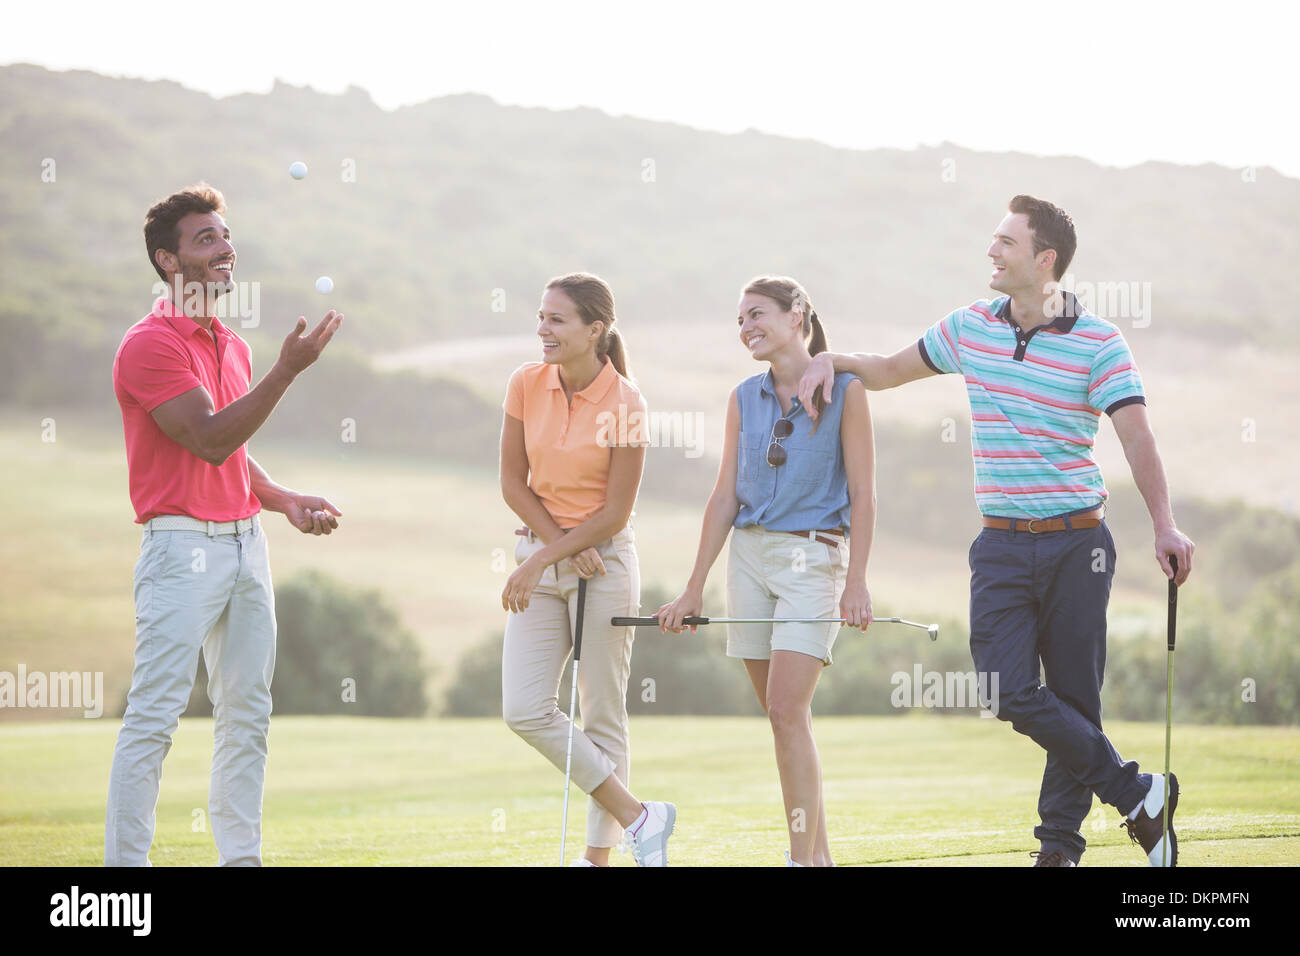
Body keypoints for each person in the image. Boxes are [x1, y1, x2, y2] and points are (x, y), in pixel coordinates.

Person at [798, 195, 1196, 867]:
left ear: (1045, 261)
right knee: (1006, 690)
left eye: (1006, 243)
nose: (992, 251)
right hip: (1002, 544)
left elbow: (1137, 435)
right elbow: (890, 369)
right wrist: (827, 360)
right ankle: (1137, 794)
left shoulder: (1099, 340)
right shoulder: (969, 327)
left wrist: (1165, 524)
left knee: (1073, 697)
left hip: (1078, 543)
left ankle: (1059, 851)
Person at [107, 183, 343, 866]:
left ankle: (240, 859)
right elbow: (207, 439)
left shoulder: (229, 345)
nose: (223, 248)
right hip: (180, 551)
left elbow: (233, 454)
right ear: (167, 261)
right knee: (154, 718)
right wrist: (287, 372)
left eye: (224, 235)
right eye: (204, 239)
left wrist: (281, 497)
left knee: (246, 717)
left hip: (246, 545)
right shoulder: (149, 345)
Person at [658, 276, 875, 867]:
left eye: (756, 314)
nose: (746, 327)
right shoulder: (741, 397)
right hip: (748, 560)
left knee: (785, 709)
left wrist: (856, 581)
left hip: (813, 559)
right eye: (739, 320)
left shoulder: (848, 392)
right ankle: (819, 857)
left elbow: (863, 495)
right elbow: (724, 496)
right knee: (785, 719)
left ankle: (801, 860)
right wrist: (693, 586)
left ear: (796, 313)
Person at [499, 272, 675, 866]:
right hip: (551, 553)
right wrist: (557, 547)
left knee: (603, 711)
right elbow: (512, 484)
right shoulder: (525, 383)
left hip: (607, 565)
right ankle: (639, 816)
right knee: (523, 709)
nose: (542, 329)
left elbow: (617, 511)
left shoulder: (627, 402)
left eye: (556, 320)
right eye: (542, 317)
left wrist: (556, 553)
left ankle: (597, 861)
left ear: (594, 330)